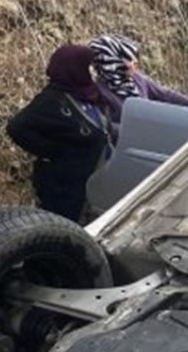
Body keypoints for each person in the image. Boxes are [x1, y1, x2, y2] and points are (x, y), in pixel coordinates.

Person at [6, 45, 110, 221]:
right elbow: (17, 127)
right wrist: (54, 151)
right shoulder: (53, 101)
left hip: (92, 182)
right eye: (89, 66)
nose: (93, 71)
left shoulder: (89, 95)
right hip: (65, 187)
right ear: (75, 68)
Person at [89, 33, 188, 133]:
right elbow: (107, 127)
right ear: (111, 63)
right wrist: (135, 132)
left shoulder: (137, 79)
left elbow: (165, 95)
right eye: (128, 59)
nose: (134, 63)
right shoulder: (100, 94)